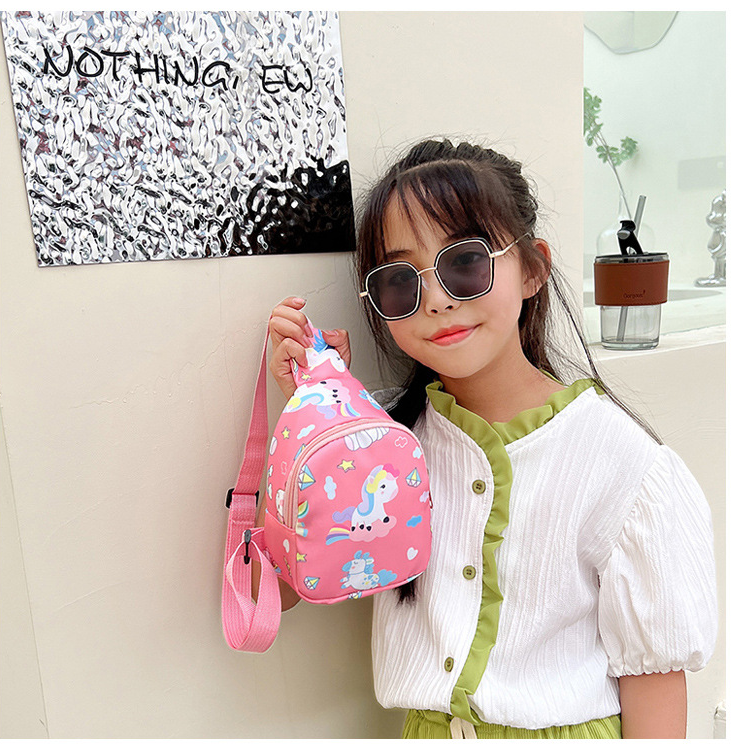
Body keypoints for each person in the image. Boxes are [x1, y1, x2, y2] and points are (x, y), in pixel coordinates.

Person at [256, 138, 718, 739]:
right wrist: (315, 418)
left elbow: (654, 688)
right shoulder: (383, 450)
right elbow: (280, 591)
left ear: (532, 269)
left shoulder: (625, 465)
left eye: (465, 263)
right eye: (399, 281)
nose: (436, 300)